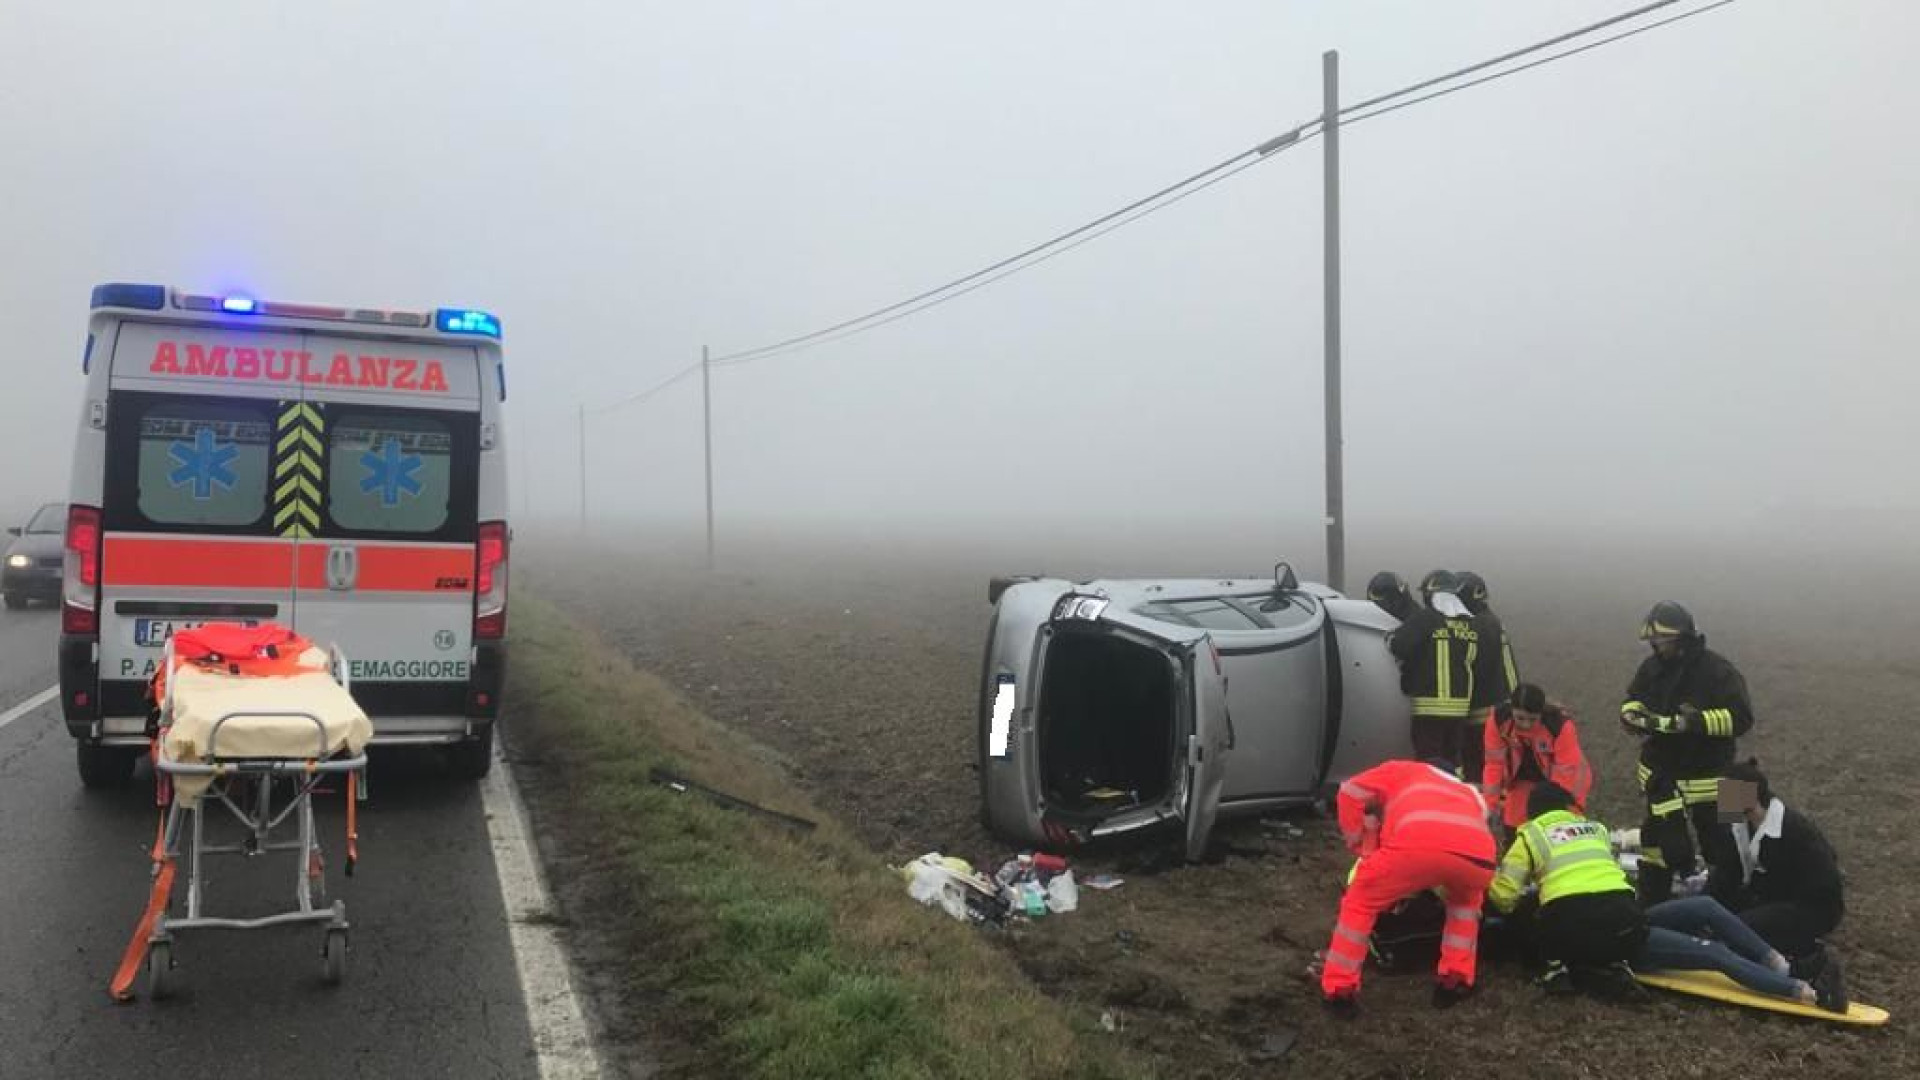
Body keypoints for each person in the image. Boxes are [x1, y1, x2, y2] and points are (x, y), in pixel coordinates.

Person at [1489, 783, 1847, 1011]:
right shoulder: (1593, 829)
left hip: (1594, 930)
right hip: (1623, 919)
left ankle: (1792, 976)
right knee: (1713, 938)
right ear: (1568, 808)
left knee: (1711, 931)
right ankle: (1799, 986)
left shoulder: (1529, 836)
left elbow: (1504, 898)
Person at [1320, 757, 1496, 1013]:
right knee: (1465, 903)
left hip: (1414, 847)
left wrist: (1358, 842)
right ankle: (1455, 979)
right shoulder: (1470, 793)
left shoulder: (1403, 770)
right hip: (1478, 859)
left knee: (1360, 902)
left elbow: (1349, 791)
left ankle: (1339, 990)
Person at [1619, 601, 1752, 905]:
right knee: (1660, 846)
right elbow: (1633, 698)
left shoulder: (1718, 670)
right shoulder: (1651, 668)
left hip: (1714, 773)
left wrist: (1691, 723)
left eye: (1661, 640)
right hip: (1662, 776)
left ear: (1681, 637)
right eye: (1653, 640)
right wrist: (1631, 715)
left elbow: (1742, 719)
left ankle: (1733, 907)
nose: (1655, 646)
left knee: (1727, 847)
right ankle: (1653, 905)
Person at [1709, 759, 1845, 976]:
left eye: (1726, 793)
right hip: (1770, 898)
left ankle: (1805, 957)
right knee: (1724, 922)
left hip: (1810, 906)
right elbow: (1726, 875)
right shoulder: (1737, 826)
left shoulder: (1794, 830)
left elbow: (1823, 885)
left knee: (1740, 929)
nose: (1721, 800)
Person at [1388, 570, 1479, 766]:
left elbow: (1399, 645)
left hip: (1429, 707)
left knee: (1428, 761)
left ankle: (1430, 795)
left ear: (1430, 594)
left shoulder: (1426, 618)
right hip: (1460, 707)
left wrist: (1390, 638)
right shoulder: (1469, 624)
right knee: (1452, 760)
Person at [1482, 682, 1592, 837]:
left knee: (1557, 832)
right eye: (1520, 718)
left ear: (1541, 713)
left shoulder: (1559, 726)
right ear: (1511, 710)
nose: (1525, 724)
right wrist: (1489, 806)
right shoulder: (1498, 721)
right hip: (1521, 782)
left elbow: (1565, 774)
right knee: (1514, 832)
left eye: (1532, 719)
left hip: (1568, 783)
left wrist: (1551, 814)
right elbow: (1494, 765)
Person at [1455, 571, 1518, 786]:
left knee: (1477, 765)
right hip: (1499, 704)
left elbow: (1469, 667)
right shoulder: (1492, 622)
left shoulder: (1476, 626)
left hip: (1481, 709)